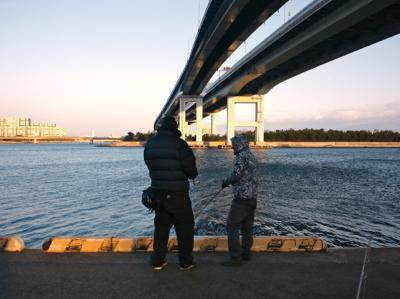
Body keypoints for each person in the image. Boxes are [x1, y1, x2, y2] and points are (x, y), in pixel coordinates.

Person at [144, 115, 198, 271]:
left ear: (160, 127)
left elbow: (150, 164)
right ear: (175, 127)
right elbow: (192, 172)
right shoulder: (180, 145)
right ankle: (185, 262)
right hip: (178, 194)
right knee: (185, 228)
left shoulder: (150, 144)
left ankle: (157, 261)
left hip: (158, 193)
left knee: (161, 228)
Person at [221, 135, 259, 266]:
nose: (232, 147)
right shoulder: (252, 156)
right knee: (247, 227)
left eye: (234, 144)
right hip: (252, 199)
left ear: (240, 144)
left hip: (241, 199)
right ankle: (246, 253)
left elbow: (236, 175)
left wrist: (225, 182)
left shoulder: (241, 156)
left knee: (232, 226)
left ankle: (235, 258)